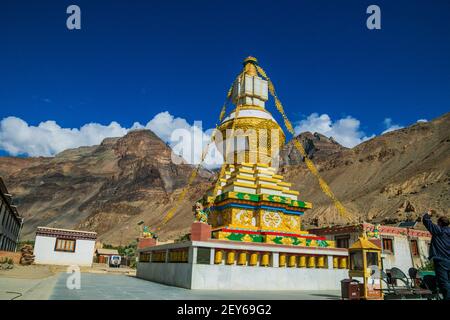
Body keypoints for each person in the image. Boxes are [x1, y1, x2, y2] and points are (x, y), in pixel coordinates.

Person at [422, 209, 450, 300]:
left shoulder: (438, 231)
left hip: (441, 260)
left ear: (440, 223)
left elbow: (426, 221)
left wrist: (428, 214)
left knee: (443, 282)